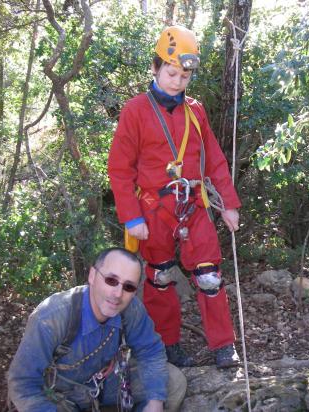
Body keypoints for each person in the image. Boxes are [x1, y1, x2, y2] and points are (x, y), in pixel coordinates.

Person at [108, 25, 241, 369]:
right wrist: (131, 217)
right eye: (171, 73)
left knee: (210, 276)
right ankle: (167, 345)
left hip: (194, 205)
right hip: (154, 209)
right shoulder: (136, 110)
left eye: (184, 76)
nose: (177, 82)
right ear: (155, 68)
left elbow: (213, 159)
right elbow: (120, 169)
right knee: (160, 276)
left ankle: (223, 345)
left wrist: (228, 204)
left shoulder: (195, 111)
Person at [7, 247, 186, 412]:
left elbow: (151, 351)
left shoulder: (131, 309)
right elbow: (22, 384)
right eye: (111, 280)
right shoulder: (50, 318)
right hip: (62, 396)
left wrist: (155, 402)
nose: (118, 294)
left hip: (105, 385)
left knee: (173, 382)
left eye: (128, 286)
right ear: (92, 275)